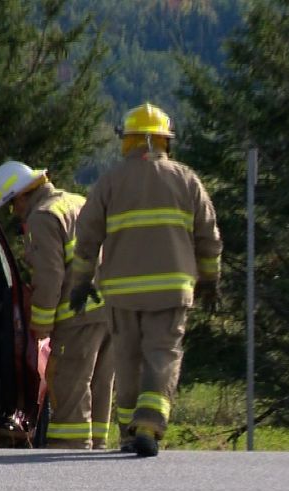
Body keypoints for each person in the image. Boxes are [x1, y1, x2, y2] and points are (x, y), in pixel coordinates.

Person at [67, 103, 222, 457]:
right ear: (164, 142)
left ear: (129, 141)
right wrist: (211, 281)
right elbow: (209, 239)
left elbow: (87, 238)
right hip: (170, 291)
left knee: (127, 359)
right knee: (162, 355)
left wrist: (81, 283)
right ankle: (149, 425)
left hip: (122, 293)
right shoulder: (186, 180)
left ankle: (127, 433)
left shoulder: (109, 182)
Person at [0, 161, 115, 449]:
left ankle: (69, 449)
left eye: (11, 206)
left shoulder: (43, 217)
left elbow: (49, 275)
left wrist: (42, 322)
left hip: (78, 314)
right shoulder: (78, 202)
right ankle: (96, 446)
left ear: (21, 196)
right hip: (111, 309)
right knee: (100, 383)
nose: (15, 212)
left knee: (70, 382)